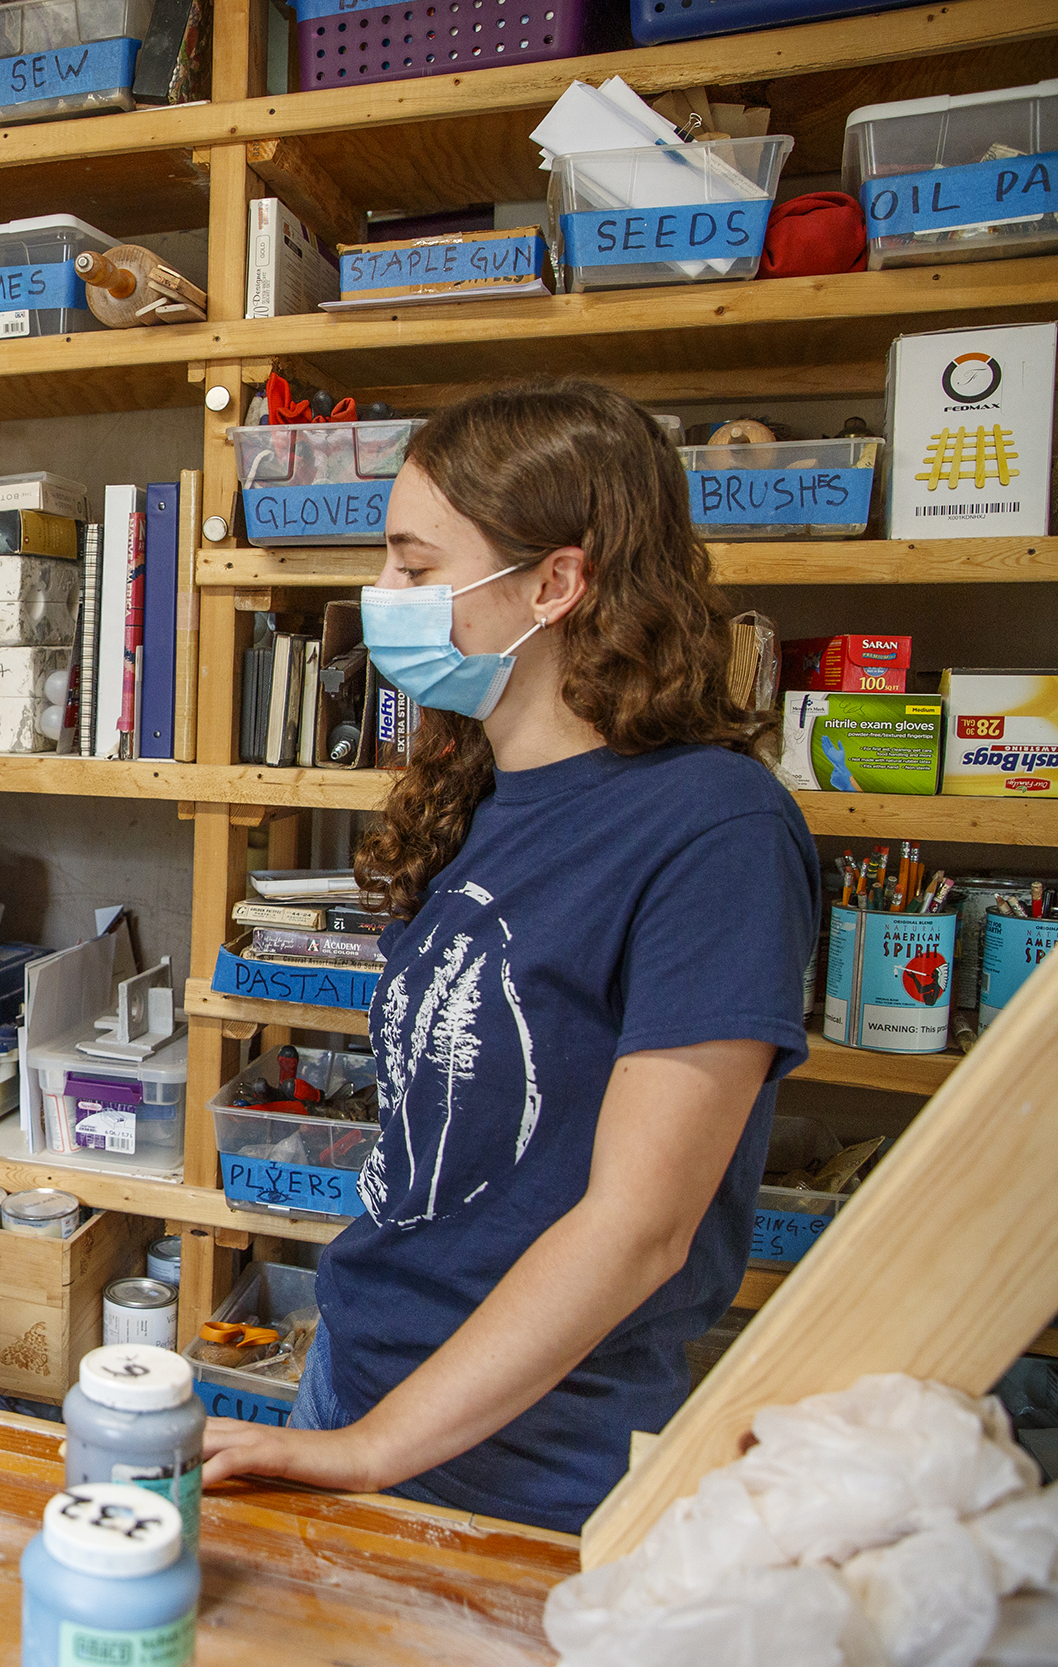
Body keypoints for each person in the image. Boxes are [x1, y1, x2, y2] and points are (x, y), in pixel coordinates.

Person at [201, 381, 819, 1534]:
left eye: (415, 567)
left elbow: (638, 1227)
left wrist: (371, 1447)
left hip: (532, 1447)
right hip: (364, 1373)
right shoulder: (479, 786)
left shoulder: (715, 828)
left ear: (555, 582)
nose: (380, 598)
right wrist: (352, 1420)